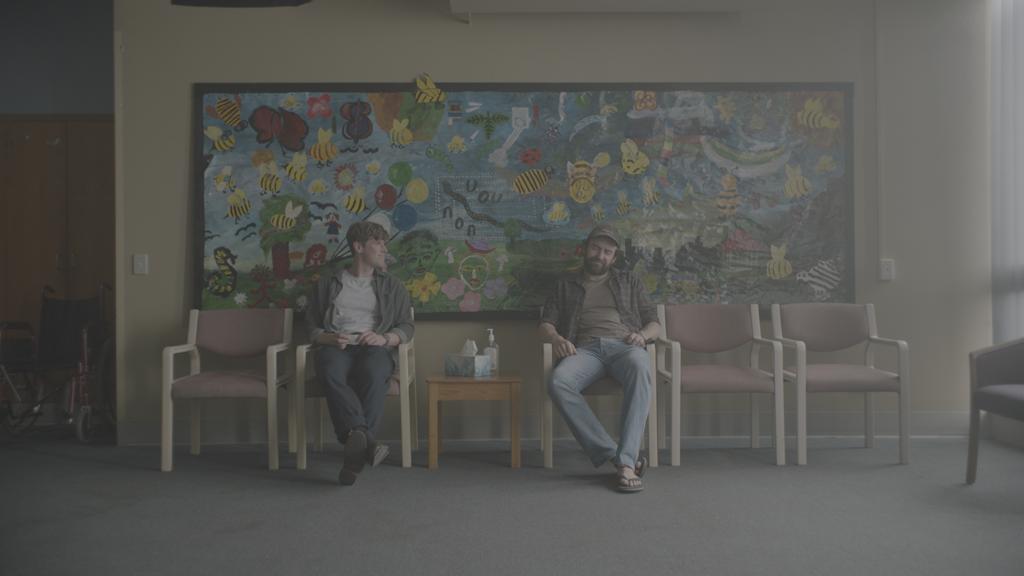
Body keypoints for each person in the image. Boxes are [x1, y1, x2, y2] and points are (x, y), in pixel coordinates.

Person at [539, 224, 660, 493]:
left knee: (641, 367)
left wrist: (642, 336)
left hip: (625, 346)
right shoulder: (565, 284)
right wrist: (557, 339)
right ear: (585, 249)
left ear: (614, 258)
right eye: (596, 248)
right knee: (559, 381)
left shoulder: (629, 281)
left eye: (607, 252)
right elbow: (545, 323)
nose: (600, 255)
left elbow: (655, 323)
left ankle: (626, 463)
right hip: (585, 349)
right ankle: (616, 455)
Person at [305, 221, 414, 485]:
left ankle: (355, 445)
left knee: (374, 371)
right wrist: (328, 337)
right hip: (337, 346)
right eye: (378, 243)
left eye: (384, 244)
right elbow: (311, 325)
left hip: (375, 347)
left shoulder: (393, 286)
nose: (384, 249)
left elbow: (406, 326)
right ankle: (366, 441)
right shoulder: (328, 284)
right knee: (329, 369)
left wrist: (384, 337)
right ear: (358, 247)